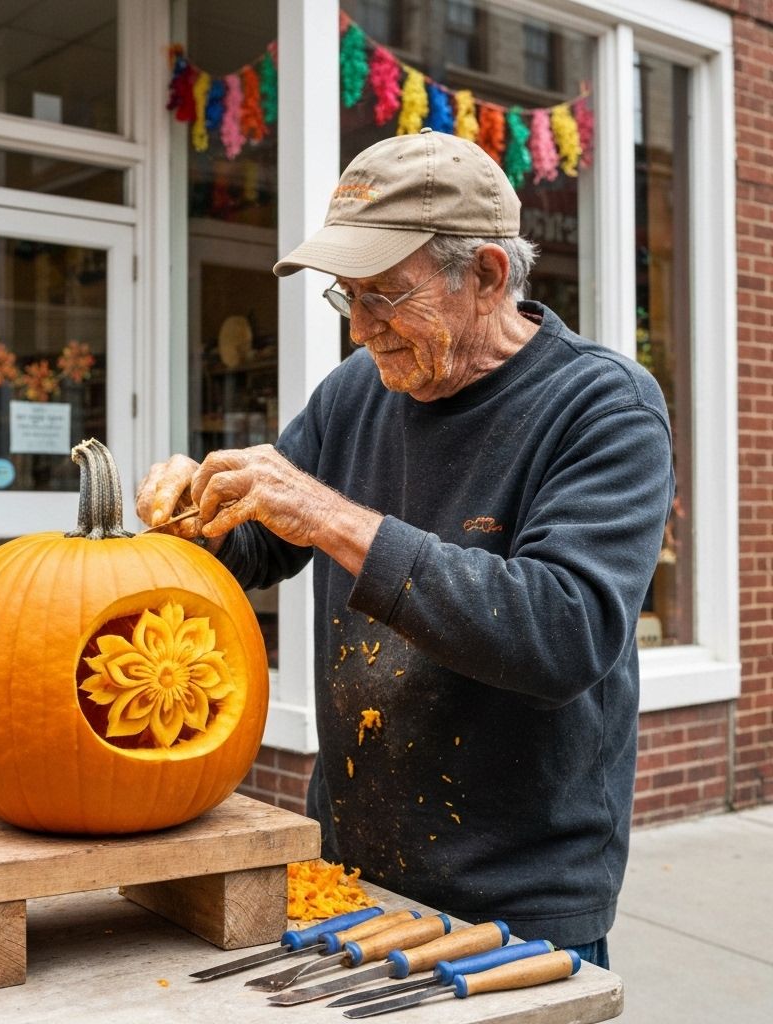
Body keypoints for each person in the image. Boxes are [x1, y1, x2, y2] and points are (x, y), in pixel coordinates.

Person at [136, 129, 674, 969]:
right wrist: (191, 522)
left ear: (488, 275)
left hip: (518, 895)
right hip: (352, 864)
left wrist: (330, 517)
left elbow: (564, 634)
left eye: (385, 294)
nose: (360, 329)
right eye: (346, 296)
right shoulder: (357, 392)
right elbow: (261, 549)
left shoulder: (603, 407)